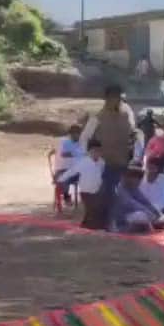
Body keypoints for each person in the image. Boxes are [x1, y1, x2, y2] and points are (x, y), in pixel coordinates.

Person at [80, 85, 137, 223]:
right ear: (107, 99)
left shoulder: (126, 115)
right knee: (106, 192)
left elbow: (134, 133)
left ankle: (118, 220)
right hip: (105, 162)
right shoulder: (98, 117)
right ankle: (102, 220)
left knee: (122, 192)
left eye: (118, 98)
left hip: (123, 160)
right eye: (112, 97)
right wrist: (89, 157)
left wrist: (135, 154)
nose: (115, 101)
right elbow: (85, 137)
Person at [57, 139, 106, 229]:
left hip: (96, 191)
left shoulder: (102, 163)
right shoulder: (83, 162)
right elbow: (72, 171)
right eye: (94, 151)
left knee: (97, 210)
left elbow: (102, 175)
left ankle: (88, 223)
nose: (96, 153)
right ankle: (88, 224)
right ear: (89, 151)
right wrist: (61, 179)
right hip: (86, 192)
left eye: (99, 151)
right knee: (91, 210)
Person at [109, 162, 162, 234]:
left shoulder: (134, 188)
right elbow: (131, 203)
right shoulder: (119, 187)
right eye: (137, 178)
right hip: (118, 219)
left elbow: (144, 201)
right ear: (129, 178)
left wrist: (156, 213)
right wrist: (148, 212)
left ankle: (139, 227)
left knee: (155, 215)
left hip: (130, 216)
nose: (139, 181)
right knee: (142, 215)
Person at [52, 124, 85, 204]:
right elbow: (64, 154)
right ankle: (66, 196)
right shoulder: (64, 142)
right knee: (64, 177)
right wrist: (76, 154)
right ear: (71, 134)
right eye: (75, 133)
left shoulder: (80, 143)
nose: (77, 135)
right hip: (62, 170)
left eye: (78, 133)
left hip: (76, 170)